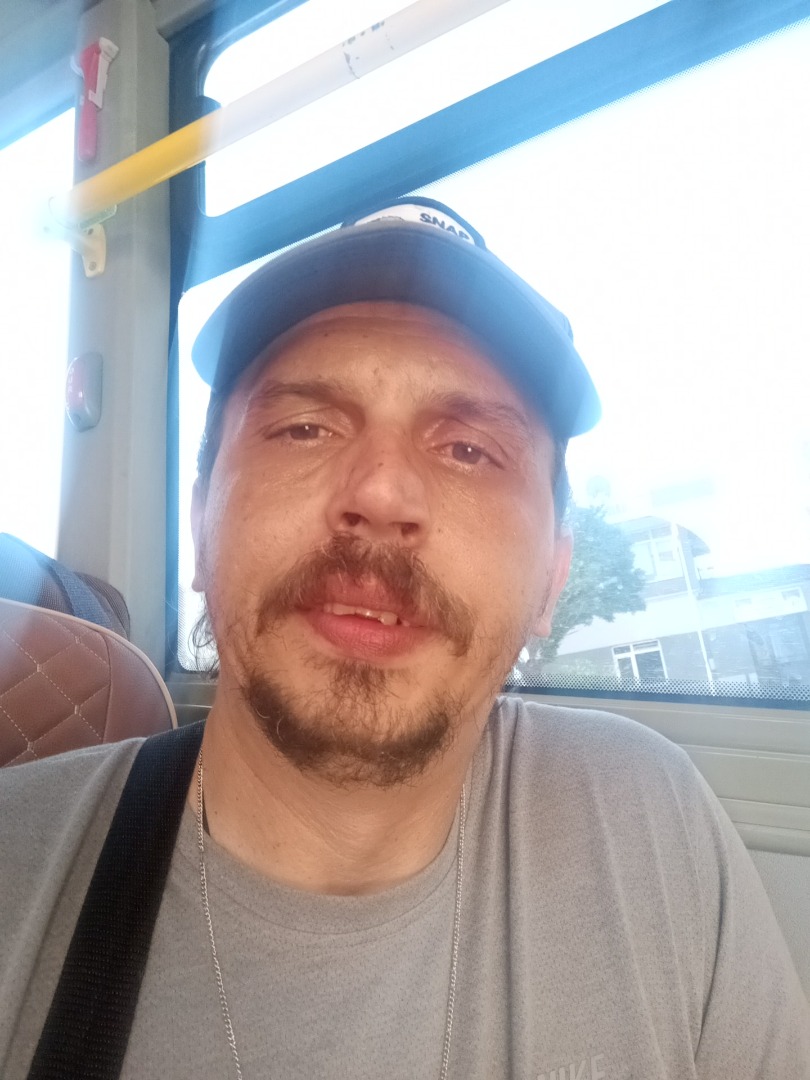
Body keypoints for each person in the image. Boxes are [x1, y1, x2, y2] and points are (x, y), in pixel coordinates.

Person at [1, 198, 808, 1080]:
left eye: (468, 450)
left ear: (551, 577)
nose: (381, 493)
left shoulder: (652, 822)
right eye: (304, 428)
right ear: (200, 527)